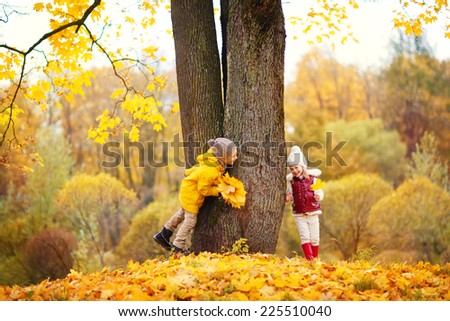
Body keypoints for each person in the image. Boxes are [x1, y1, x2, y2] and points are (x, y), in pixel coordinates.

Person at [153, 137, 238, 254]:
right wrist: (219, 190)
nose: (236, 158)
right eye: (233, 156)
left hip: (188, 190)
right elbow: (203, 189)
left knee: (181, 214)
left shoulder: (214, 161)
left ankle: (163, 234)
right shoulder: (210, 170)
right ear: (223, 157)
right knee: (190, 221)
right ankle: (177, 245)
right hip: (191, 195)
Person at [285, 145, 324, 260]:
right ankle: (310, 259)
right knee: (305, 236)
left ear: (302, 166)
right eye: (291, 169)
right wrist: (288, 197)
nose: (294, 171)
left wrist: (319, 196)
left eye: (296, 167)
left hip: (313, 211)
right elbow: (289, 195)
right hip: (299, 213)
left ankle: (315, 259)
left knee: (315, 237)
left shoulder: (314, 179)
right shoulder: (291, 182)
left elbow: (320, 190)